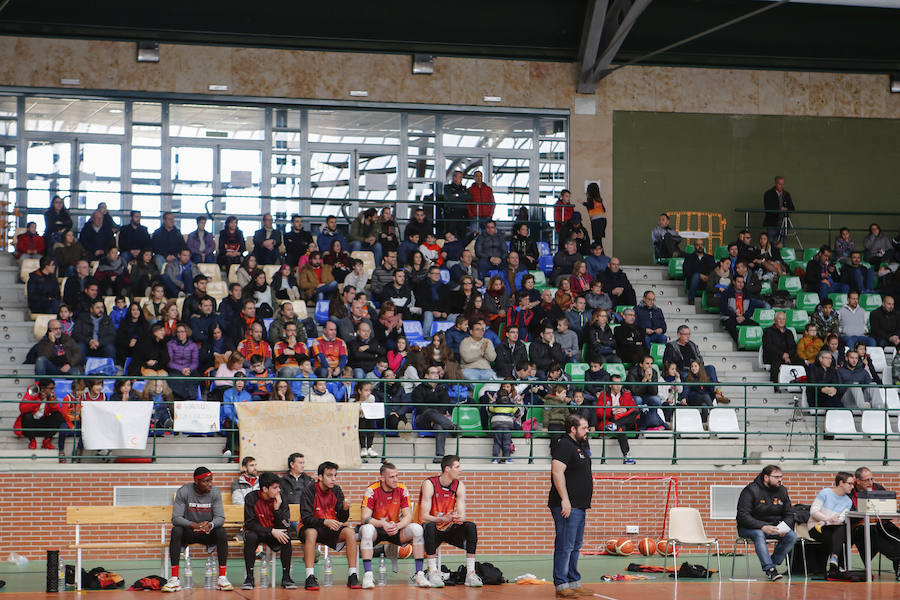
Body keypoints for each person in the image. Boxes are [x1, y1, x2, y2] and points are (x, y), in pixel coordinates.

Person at [162, 466, 232, 592]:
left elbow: (220, 517)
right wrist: (193, 524)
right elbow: (176, 518)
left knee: (221, 531)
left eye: (211, 480)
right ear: (196, 481)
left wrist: (210, 525)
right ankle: (174, 578)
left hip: (207, 532)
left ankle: (222, 577)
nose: (210, 484)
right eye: (206, 481)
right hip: (190, 531)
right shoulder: (184, 491)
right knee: (176, 530)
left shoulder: (215, 492)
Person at [359, 462, 429, 588]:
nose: (396, 479)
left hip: (395, 529)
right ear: (382, 478)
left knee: (417, 529)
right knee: (367, 529)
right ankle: (368, 575)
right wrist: (382, 524)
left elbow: (408, 516)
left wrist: (398, 526)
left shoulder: (402, 489)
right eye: (392, 477)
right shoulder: (372, 490)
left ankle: (419, 574)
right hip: (377, 529)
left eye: (397, 476)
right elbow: (365, 518)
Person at [417, 455, 482, 587]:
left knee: (470, 526)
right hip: (432, 529)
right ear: (447, 469)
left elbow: (462, 514)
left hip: (449, 528)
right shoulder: (429, 484)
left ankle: (470, 573)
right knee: (429, 526)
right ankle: (433, 572)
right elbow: (423, 516)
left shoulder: (459, 485)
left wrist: (458, 518)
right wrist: (441, 519)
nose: (460, 470)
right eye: (457, 467)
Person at [297, 461, 360, 590]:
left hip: (329, 528)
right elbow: (306, 518)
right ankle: (310, 576)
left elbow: (342, 518)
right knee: (311, 533)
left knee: (350, 532)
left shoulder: (336, 490)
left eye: (335, 475)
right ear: (320, 477)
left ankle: (352, 575)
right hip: (310, 527)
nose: (333, 479)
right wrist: (325, 522)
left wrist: (345, 509)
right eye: (329, 475)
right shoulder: (309, 490)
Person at [549, 414, 593, 598]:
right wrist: (564, 499)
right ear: (572, 429)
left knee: (575, 545)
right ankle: (561, 584)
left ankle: (574, 581)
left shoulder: (580, 446)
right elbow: (557, 471)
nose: (587, 431)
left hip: (580, 505)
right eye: (583, 428)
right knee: (565, 545)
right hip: (567, 505)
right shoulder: (565, 444)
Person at [735, 465, 797, 581]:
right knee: (759, 534)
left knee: (792, 536)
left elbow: (789, 514)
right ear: (766, 477)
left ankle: (772, 562)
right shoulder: (751, 490)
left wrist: (783, 527)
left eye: (781, 477)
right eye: (776, 477)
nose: (780, 479)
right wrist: (762, 526)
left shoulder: (782, 491)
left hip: (773, 527)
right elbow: (742, 516)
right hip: (749, 528)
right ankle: (770, 570)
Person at [239, 471, 296, 590]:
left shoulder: (281, 499)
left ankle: (286, 577)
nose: (278, 490)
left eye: (278, 487)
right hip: (259, 533)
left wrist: (277, 510)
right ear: (264, 489)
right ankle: (249, 578)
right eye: (275, 488)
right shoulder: (251, 498)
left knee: (286, 537)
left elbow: (286, 524)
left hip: (275, 534)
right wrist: (271, 531)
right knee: (250, 536)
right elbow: (249, 524)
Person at [849, 467, 900, 579]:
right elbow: (848, 514)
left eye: (871, 479)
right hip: (860, 527)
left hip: (880, 523)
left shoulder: (878, 488)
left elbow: (887, 507)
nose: (870, 482)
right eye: (866, 480)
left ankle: (898, 567)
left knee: (896, 534)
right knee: (878, 537)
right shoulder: (850, 491)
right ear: (857, 480)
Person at [807, 472, 854, 574]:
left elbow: (840, 519)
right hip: (816, 528)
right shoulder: (825, 493)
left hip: (831, 527)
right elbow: (814, 511)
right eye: (850, 484)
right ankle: (835, 562)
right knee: (839, 534)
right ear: (841, 483)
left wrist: (825, 522)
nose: (852, 486)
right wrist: (828, 519)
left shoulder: (848, 501)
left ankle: (834, 559)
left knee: (841, 528)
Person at [595, 375, 638, 464]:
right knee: (621, 428)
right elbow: (599, 413)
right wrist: (612, 412)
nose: (618, 386)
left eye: (620, 383)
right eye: (615, 384)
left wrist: (625, 410)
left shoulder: (626, 394)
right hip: (610, 420)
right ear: (610, 385)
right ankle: (627, 456)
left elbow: (634, 409)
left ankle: (616, 425)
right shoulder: (603, 395)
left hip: (624, 419)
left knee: (636, 412)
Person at [15, 379, 64, 450]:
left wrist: (54, 404)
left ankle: (47, 441)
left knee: (58, 415)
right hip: (30, 426)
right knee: (27, 416)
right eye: (51, 388)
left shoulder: (51, 395)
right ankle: (32, 440)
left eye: (53, 388)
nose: (53, 391)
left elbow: (57, 412)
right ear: (43, 389)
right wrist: (39, 400)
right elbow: (23, 409)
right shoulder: (33, 391)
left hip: (43, 424)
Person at [762, 311, 801, 383]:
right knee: (776, 362)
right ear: (775, 320)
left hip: (788, 356)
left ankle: (802, 384)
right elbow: (768, 346)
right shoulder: (768, 331)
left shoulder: (789, 332)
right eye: (779, 319)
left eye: (783, 319)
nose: (782, 321)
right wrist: (782, 355)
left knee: (801, 361)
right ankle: (775, 386)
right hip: (773, 356)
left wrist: (788, 355)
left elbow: (793, 346)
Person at [721, 276, 759, 342]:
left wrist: (743, 316)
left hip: (744, 317)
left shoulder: (748, 294)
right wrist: (736, 316)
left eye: (742, 282)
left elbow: (751, 309)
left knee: (756, 325)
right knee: (730, 325)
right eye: (739, 282)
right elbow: (724, 309)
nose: (741, 284)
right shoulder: (726, 293)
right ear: (734, 282)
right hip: (731, 317)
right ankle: (739, 343)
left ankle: (753, 344)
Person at [762, 176, 794, 243]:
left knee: (783, 242)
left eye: (783, 184)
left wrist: (786, 209)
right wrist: (779, 209)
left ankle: (781, 254)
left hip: (783, 222)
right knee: (771, 241)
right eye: (780, 184)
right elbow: (768, 208)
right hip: (772, 222)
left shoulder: (786, 194)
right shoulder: (768, 194)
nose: (782, 186)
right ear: (775, 184)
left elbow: (792, 208)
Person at [683, 240, 715, 304]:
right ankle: (691, 299)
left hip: (707, 282)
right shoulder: (689, 258)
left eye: (701, 245)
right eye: (697, 245)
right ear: (694, 246)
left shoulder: (710, 258)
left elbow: (713, 270)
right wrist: (699, 275)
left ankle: (712, 301)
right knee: (696, 276)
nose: (700, 246)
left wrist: (708, 277)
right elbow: (686, 272)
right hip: (693, 283)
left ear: (704, 246)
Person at [442, 171, 471, 237]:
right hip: (451, 213)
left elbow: (469, 197)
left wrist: (457, 195)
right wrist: (462, 195)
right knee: (450, 234)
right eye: (459, 177)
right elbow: (449, 198)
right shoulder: (447, 187)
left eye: (461, 177)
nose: (461, 179)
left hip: (462, 214)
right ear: (454, 178)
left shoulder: (464, 188)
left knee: (462, 234)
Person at [583, 182, 606, 246]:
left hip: (596, 221)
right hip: (603, 220)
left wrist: (583, 203)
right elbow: (604, 210)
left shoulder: (590, 198)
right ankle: (601, 254)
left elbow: (591, 206)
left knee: (597, 240)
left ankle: (601, 254)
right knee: (599, 240)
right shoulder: (599, 199)